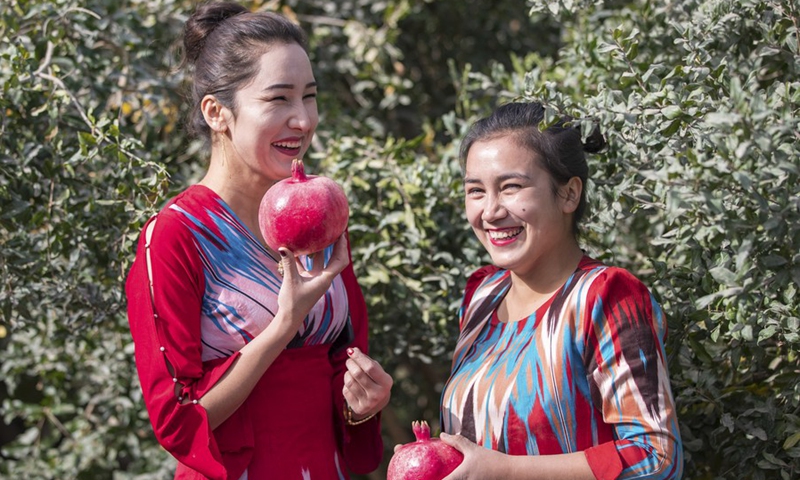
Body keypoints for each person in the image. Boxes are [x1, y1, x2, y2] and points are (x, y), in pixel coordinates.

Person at [124, 3, 392, 479]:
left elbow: (343, 360)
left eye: (309, 97)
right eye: (279, 99)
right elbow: (178, 421)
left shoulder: (319, 215)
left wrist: (362, 402)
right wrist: (285, 322)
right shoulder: (174, 236)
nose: (303, 120)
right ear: (217, 113)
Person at [437, 102, 683, 479]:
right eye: (475, 191)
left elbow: (657, 458)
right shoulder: (481, 297)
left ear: (569, 194)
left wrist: (507, 471)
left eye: (511, 187)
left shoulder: (604, 297)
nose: (489, 212)